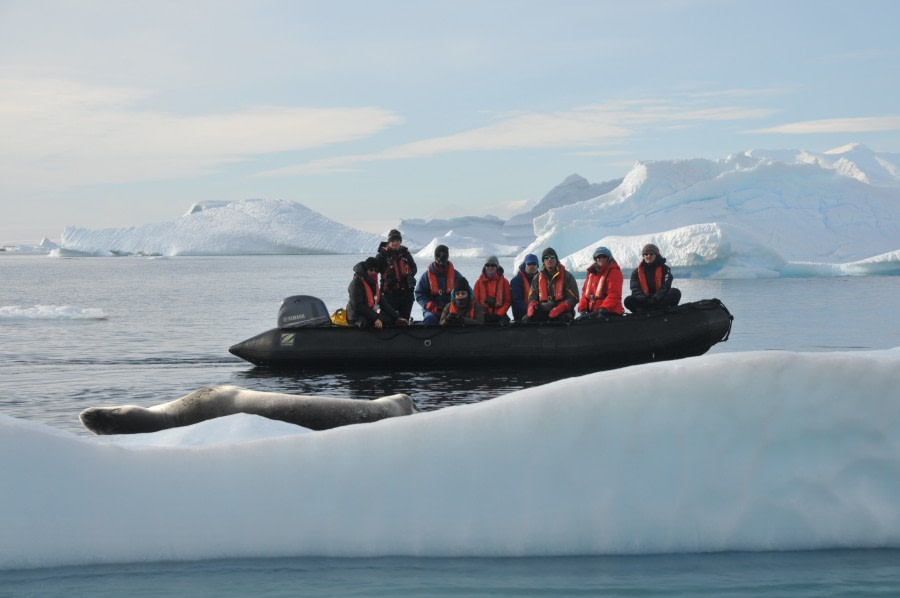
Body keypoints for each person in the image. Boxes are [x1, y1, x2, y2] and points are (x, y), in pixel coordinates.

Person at [415, 244, 468, 326]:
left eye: (444, 255)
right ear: (435, 256)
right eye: (438, 255)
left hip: (451, 309)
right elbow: (419, 293)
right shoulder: (426, 276)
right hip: (432, 310)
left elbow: (467, 291)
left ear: (447, 256)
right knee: (430, 319)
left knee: (456, 320)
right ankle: (428, 338)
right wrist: (429, 305)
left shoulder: (456, 275)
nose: (441, 257)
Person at [346, 257, 405, 329]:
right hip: (356, 317)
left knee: (390, 318)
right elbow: (358, 306)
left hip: (369, 314)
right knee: (368, 322)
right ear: (366, 269)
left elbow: (383, 304)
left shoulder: (373, 283)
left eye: (376, 271)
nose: (374, 272)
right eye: (371, 270)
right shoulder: (356, 284)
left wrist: (398, 317)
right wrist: (375, 319)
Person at [523, 247, 579, 323]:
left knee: (564, 319)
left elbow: (573, 297)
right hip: (543, 310)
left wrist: (561, 308)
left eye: (552, 257)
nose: (549, 259)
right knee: (526, 320)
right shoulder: (537, 278)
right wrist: (532, 305)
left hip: (563, 312)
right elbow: (532, 296)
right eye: (546, 258)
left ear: (556, 259)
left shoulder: (567, 276)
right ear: (543, 261)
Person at [624, 243, 682, 313]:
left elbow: (665, 287)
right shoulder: (636, 272)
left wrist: (654, 299)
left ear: (656, 255)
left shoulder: (665, 269)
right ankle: (643, 313)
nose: (648, 256)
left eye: (651, 254)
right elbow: (635, 289)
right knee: (628, 300)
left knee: (675, 292)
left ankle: (661, 311)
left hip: (660, 301)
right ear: (643, 256)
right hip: (644, 302)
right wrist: (645, 299)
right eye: (646, 254)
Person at [376, 229, 417, 320]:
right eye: (393, 241)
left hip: (406, 294)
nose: (395, 243)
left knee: (404, 319)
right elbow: (373, 272)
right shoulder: (382, 256)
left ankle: (405, 329)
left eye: (397, 241)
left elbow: (414, 267)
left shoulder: (405, 254)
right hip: (389, 294)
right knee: (388, 319)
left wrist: (410, 275)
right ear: (389, 241)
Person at [577, 246, 624, 318]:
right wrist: (582, 309)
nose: (601, 259)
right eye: (598, 257)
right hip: (593, 312)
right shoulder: (591, 273)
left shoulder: (614, 272)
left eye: (604, 256)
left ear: (609, 258)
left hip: (610, 311)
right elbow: (585, 294)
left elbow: (614, 295)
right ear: (595, 259)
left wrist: (603, 309)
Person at [473, 255, 511, 324]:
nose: (490, 267)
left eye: (493, 265)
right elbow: (475, 302)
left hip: (499, 315)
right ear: (485, 267)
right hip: (483, 315)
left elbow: (507, 301)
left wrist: (498, 314)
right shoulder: (478, 283)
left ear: (497, 267)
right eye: (487, 265)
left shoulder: (505, 282)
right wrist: (483, 314)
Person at [509, 253, 539, 322]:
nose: (532, 266)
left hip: (537, 311)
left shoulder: (542, 279)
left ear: (537, 266)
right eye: (529, 264)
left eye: (534, 264)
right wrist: (530, 310)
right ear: (525, 265)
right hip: (521, 314)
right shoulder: (516, 281)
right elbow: (517, 301)